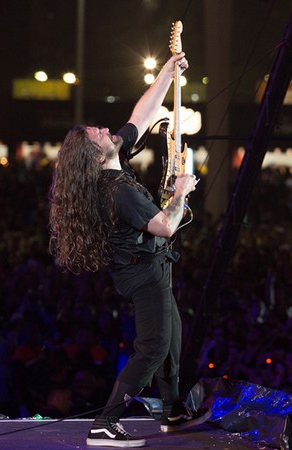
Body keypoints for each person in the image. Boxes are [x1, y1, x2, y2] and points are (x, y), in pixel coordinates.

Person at [49, 50, 207, 448]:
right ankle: (106, 422)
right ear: (95, 155)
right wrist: (182, 193)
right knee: (153, 346)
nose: (106, 130)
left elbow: (142, 113)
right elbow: (166, 226)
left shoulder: (114, 163)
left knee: (172, 338)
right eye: (99, 135)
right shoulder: (119, 192)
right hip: (144, 273)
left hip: (150, 266)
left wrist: (168, 74)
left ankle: (172, 411)